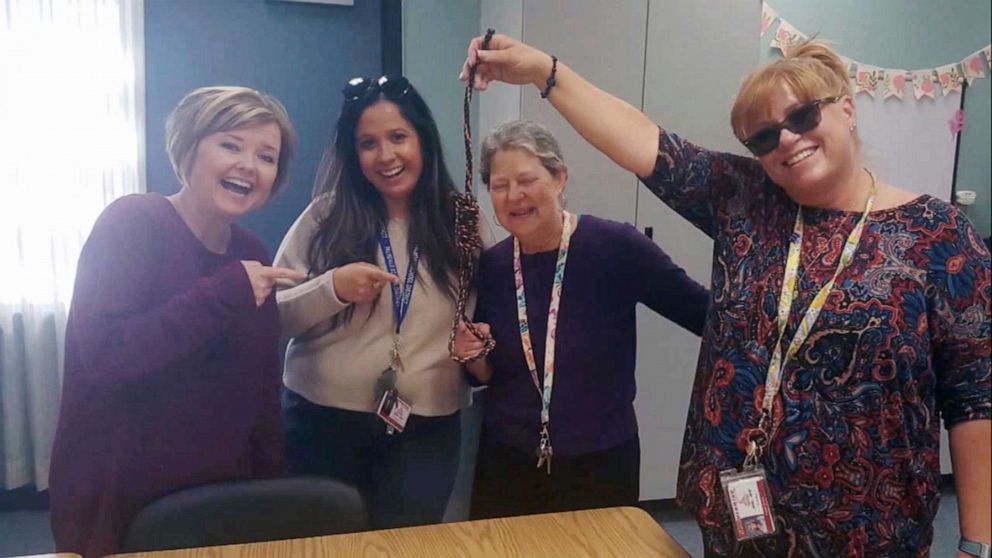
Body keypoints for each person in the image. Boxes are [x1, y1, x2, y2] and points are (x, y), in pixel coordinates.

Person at [460, 36, 991, 557]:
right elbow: (646, 142)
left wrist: (977, 541)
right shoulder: (745, 201)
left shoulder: (937, 235)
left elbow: (975, 399)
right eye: (763, 137)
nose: (785, 139)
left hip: (869, 528)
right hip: (740, 516)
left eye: (802, 116)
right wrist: (545, 73)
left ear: (847, 110)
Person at [49, 86, 303, 557]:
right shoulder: (132, 222)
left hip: (221, 497)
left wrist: (272, 498)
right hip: (121, 503)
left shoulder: (251, 252)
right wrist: (223, 294)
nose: (249, 164)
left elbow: (260, 390)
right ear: (188, 149)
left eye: (266, 157)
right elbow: (106, 357)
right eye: (230, 145)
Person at [451, 119, 708, 519]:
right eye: (500, 186)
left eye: (527, 180)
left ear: (559, 179)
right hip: (508, 459)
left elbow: (703, 313)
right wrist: (471, 355)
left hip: (600, 462)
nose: (514, 196)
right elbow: (485, 375)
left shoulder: (615, 247)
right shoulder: (493, 266)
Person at [275, 75, 492, 529]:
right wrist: (331, 288)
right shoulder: (325, 217)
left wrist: (481, 348)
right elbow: (274, 320)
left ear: (424, 141)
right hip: (321, 420)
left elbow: (488, 322)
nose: (386, 156)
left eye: (398, 137)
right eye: (368, 143)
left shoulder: (464, 222)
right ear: (353, 156)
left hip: (426, 427)